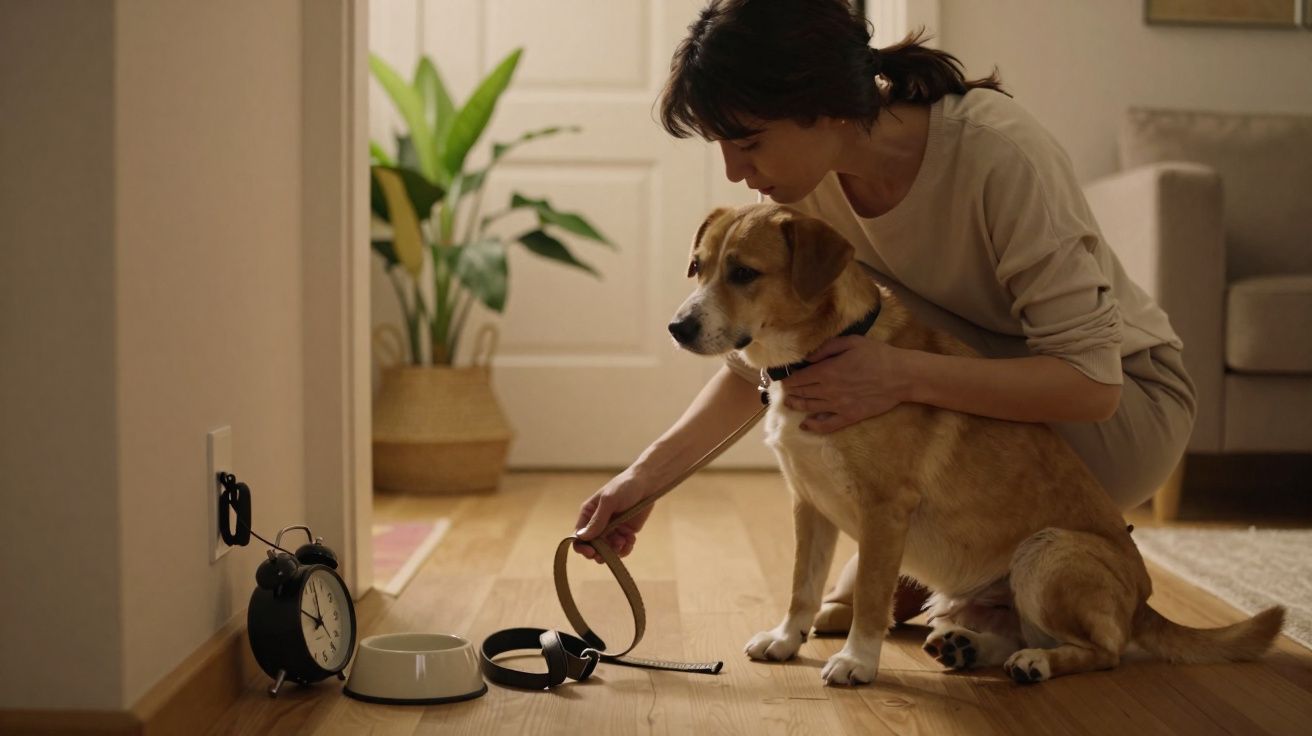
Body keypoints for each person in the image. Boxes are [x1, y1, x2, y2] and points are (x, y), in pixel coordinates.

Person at [572, 0, 1197, 630]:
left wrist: (898, 374)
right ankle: (985, 583)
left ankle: (1065, 557)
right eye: (722, 147)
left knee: (874, 328)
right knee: (855, 604)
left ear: (827, 107)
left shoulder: (999, 155)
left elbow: (1093, 386)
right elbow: (755, 369)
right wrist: (641, 481)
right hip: (967, 400)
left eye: (750, 142)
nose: (736, 172)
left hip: (1116, 413)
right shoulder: (797, 191)